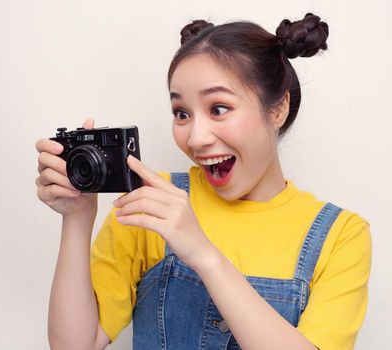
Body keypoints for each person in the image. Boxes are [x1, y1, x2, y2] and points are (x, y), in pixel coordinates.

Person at [35, 13, 371, 350]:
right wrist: (77, 219)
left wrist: (203, 254)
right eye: (182, 113)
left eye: (219, 108)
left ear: (278, 108)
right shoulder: (150, 205)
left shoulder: (341, 236)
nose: (196, 138)